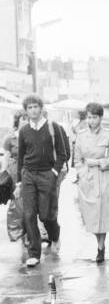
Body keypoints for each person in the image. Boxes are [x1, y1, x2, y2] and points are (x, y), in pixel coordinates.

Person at [15, 94, 68, 267]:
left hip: (47, 174)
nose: (33, 110)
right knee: (29, 214)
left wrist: (54, 172)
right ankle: (34, 253)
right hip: (29, 174)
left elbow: (63, 153)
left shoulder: (54, 127)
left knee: (46, 215)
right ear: (26, 110)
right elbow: (21, 157)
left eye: (35, 106)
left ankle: (55, 236)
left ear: (41, 107)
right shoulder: (23, 130)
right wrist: (19, 181)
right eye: (29, 108)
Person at [74, 102, 109, 263]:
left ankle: (101, 247)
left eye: (94, 117)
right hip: (87, 178)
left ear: (100, 118)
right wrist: (82, 174)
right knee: (91, 214)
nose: (91, 120)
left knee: (103, 214)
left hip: (104, 177)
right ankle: (98, 241)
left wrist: (99, 162)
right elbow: (77, 159)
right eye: (89, 117)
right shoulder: (81, 135)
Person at [2, 110, 28, 250]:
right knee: (17, 203)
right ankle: (21, 233)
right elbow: (6, 157)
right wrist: (4, 173)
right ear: (17, 122)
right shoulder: (10, 138)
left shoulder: (31, 135)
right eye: (22, 120)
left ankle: (29, 232)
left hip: (28, 170)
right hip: (14, 172)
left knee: (29, 202)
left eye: (26, 119)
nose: (24, 122)